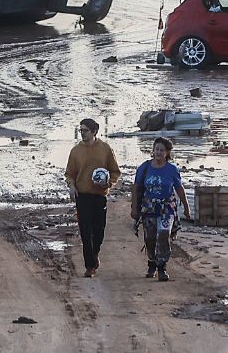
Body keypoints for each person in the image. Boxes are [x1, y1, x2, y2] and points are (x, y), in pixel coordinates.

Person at [64, 118, 122, 278]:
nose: (82, 133)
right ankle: (89, 266)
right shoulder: (76, 151)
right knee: (85, 231)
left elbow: (115, 171)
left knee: (99, 231)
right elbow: (69, 173)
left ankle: (95, 252)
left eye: (85, 130)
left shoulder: (105, 149)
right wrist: (71, 185)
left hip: (99, 196)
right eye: (80, 130)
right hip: (82, 195)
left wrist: (109, 183)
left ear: (94, 131)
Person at [131, 136, 190, 281]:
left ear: (167, 153)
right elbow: (136, 188)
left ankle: (162, 266)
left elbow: (179, 189)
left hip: (167, 208)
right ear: (153, 150)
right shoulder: (144, 168)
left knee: (163, 234)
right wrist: (134, 208)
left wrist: (186, 207)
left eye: (162, 150)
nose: (158, 152)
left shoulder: (172, 169)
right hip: (149, 208)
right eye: (156, 149)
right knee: (150, 238)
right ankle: (152, 262)